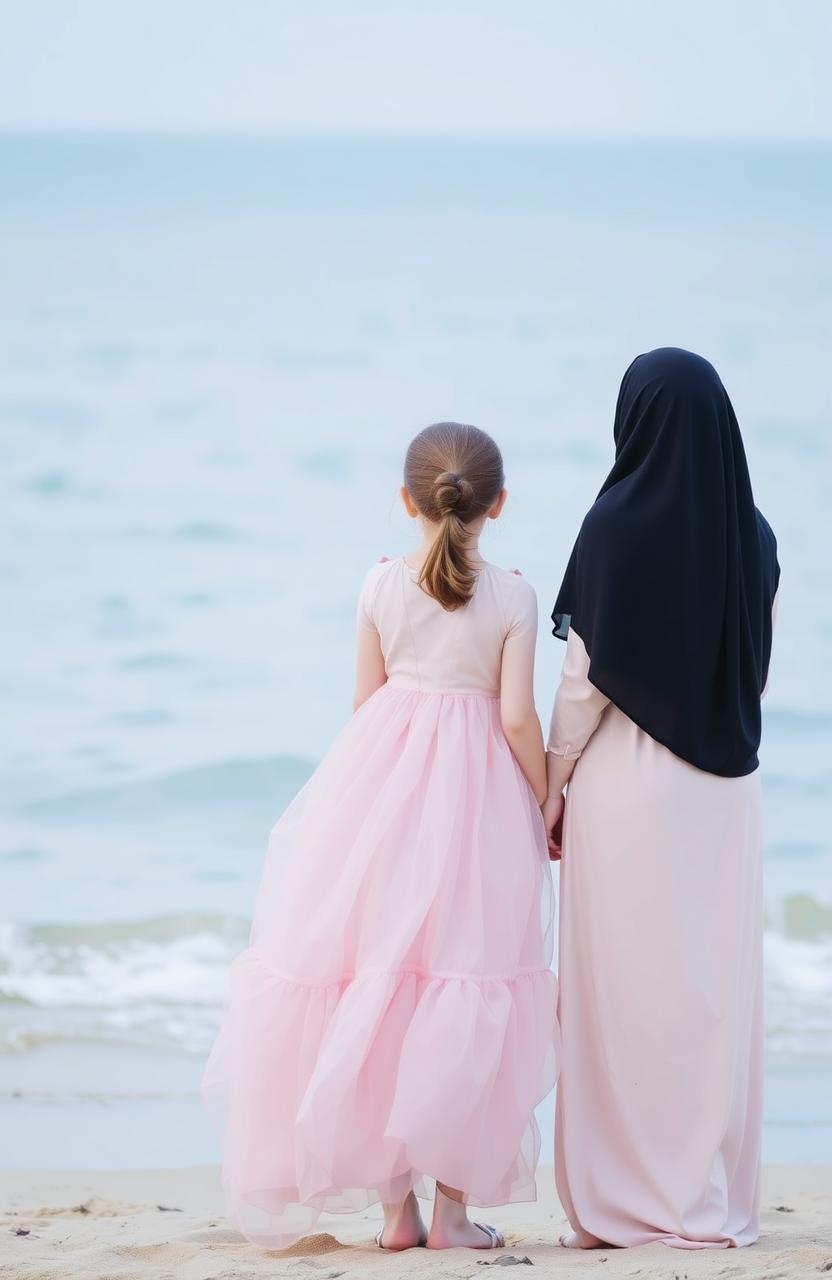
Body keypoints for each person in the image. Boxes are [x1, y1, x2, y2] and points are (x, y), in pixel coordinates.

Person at [203, 421, 558, 1251]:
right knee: (465, 984)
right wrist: (543, 802)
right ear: (497, 504)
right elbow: (514, 717)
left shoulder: (376, 587)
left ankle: (397, 1215)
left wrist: (373, 798)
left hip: (383, 794)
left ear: (407, 500)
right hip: (477, 809)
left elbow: (367, 705)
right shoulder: (511, 594)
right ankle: (454, 1217)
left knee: (389, 985)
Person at [542, 348, 780, 1250]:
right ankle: (703, 1198)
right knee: (707, 996)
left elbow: (582, 684)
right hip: (727, 797)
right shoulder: (753, 535)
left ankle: (623, 1203)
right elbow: (753, 672)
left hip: (628, 789)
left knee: (623, 998)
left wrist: (552, 790)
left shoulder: (614, 525)